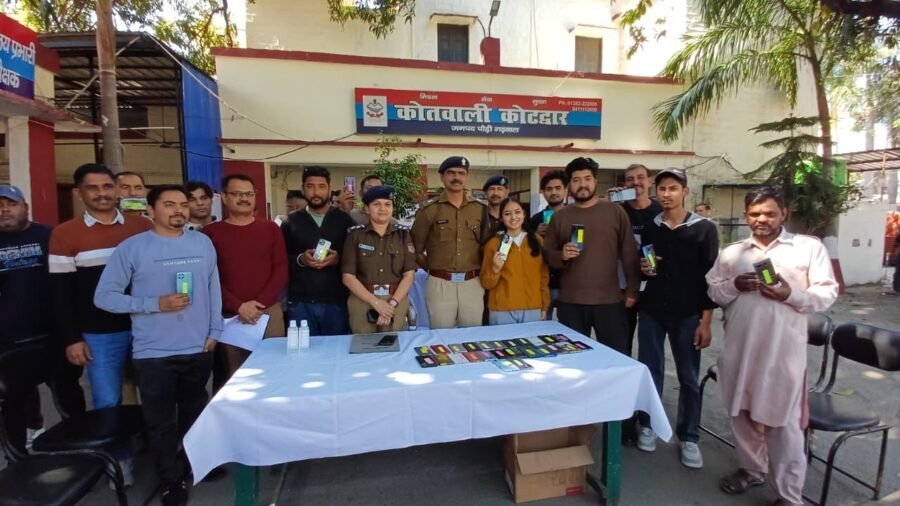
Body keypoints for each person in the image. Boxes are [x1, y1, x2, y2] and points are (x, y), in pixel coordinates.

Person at [707, 186, 838, 506]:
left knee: (783, 424)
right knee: (742, 413)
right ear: (745, 216)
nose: (761, 219)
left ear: (784, 214)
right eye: (755, 214)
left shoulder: (807, 248)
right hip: (740, 349)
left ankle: (789, 496)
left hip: (783, 354)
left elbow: (827, 293)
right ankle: (752, 469)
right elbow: (713, 291)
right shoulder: (732, 253)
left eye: (769, 213)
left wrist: (789, 293)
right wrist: (734, 285)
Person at [95, 184, 221, 506]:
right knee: (160, 421)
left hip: (198, 346)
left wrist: (215, 330)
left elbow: (213, 287)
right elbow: (105, 297)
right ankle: (170, 480)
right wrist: (153, 304)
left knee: (195, 411)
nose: (179, 210)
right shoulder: (132, 248)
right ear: (151, 210)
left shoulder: (202, 242)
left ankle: (194, 463)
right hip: (154, 352)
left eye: (183, 204)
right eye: (169, 204)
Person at [49, 163, 152, 484]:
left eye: (107, 187)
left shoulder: (141, 226)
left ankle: (161, 452)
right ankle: (120, 463)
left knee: (157, 393)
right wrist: (72, 338)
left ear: (117, 190)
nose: (102, 194)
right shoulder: (64, 234)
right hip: (99, 334)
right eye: (93, 188)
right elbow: (61, 294)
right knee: (108, 401)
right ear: (79, 193)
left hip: (147, 326)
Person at [634, 168, 718, 469]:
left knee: (688, 377)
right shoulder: (651, 226)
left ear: (685, 192)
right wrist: (645, 268)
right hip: (652, 311)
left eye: (673, 188)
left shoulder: (704, 229)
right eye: (662, 188)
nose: (666, 194)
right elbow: (646, 264)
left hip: (688, 314)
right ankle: (648, 425)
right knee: (650, 371)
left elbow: (711, 278)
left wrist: (705, 322)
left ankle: (689, 436)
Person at [0, 185, 86, 455]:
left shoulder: (50, 235)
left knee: (68, 395)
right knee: (13, 401)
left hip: (54, 335)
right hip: (9, 340)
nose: (4, 210)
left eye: (11, 204)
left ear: (25, 207)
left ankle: (78, 449)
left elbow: (70, 284)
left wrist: (74, 332)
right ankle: (19, 458)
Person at [542, 157, 640, 353]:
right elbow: (547, 255)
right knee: (573, 359)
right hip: (571, 302)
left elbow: (629, 252)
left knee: (615, 357)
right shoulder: (560, 217)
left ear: (595, 181)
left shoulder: (615, 212)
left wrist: (632, 290)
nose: (582, 185)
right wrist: (561, 255)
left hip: (609, 301)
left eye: (587, 179)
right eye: (576, 180)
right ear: (569, 185)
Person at [202, 174, 287, 390]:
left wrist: (259, 304)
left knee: (273, 373)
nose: (244, 198)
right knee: (235, 379)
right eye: (237, 194)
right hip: (230, 316)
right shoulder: (210, 233)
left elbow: (280, 269)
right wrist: (238, 306)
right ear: (224, 197)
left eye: (249, 194)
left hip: (268, 312)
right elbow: (209, 277)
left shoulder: (270, 229)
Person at [410, 156, 488, 329]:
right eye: (451, 173)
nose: (456, 177)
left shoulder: (480, 209)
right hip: (440, 284)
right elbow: (415, 249)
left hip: (472, 282)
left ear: (467, 176)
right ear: (442, 177)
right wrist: (432, 269)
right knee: (441, 335)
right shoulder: (429, 210)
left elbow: (485, 246)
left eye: (461, 173)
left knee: (472, 336)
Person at [281, 166, 356, 335]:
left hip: (336, 301)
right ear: (303, 189)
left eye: (321, 186)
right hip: (300, 302)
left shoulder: (344, 221)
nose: (316, 192)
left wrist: (338, 259)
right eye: (310, 186)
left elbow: (356, 257)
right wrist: (301, 259)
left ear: (329, 189)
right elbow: (280, 260)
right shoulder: (290, 222)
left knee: (336, 349)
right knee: (302, 349)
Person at [342, 186, 417, 333]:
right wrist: (376, 303)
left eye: (387, 204)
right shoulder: (355, 235)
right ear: (367, 209)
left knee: (394, 343)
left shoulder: (403, 235)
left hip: (396, 299)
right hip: (363, 300)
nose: (383, 209)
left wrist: (391, 305)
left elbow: (409, 275)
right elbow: (348, 277)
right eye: (377, 204)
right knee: (364, 344)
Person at [480, 198, 549, 324]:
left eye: (517, 212)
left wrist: (544, 304)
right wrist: (495, 269)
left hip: (532, 307)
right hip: (502, 309)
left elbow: (543, 276)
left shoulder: (537, 241)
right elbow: (486, 283)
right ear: (501, 218)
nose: (513, 217)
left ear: (524, 214)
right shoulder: (493, 244)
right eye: (507, 214)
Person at [620, 163, 664, 356]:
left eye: (640, 177)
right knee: (622, 343)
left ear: (649, 181)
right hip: (623, 287)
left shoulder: (661, 211)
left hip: (653, 288)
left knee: (650, 346)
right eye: (630, 179)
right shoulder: (617, 211)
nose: (635, 182)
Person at [527, 170, 567, 320]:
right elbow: (527, 250)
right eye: (549, 189)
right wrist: (536, 235)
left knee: (568, 327)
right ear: (543, 192)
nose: (554, 192)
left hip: (568, 283)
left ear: (565, 190)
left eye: (558, 188)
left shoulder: (576, 216)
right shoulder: (535, 219)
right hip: (543, 283)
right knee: (542, 326)